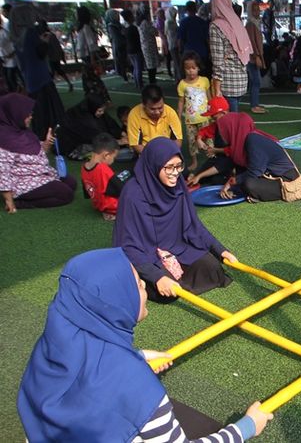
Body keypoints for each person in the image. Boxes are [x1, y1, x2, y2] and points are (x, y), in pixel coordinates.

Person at [17, 248, 273, 441]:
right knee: (209, 429)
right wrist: (246, 427)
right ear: (114, 301)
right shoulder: (133, 386)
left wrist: (136, 356)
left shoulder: (49, 349)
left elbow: (87, 369)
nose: (144, 288)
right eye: (137, 285)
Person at [114, 138, 237, 302]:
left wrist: (221, 250)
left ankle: (168, 275)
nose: (175, 173)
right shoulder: (133, 194)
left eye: (179, 166)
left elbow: (194, 225)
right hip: (147, 252)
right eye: (169, 167)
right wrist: (157, 276)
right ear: (154, 165)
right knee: (167, 292)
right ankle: (143, 278)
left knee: (213, 269)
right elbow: (128, 245)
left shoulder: (178, 184)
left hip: (178, 246)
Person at [0, 93, 76, 212]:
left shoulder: (22, 131)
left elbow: (33, 152)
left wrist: (46, 143)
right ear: (14, 114)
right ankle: (21, 203)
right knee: (65, 194)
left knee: (71, 183)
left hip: (40, 174)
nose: (31, 117)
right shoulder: (4, 140)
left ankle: (47, 187)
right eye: (27, 115)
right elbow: (2, 173)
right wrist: (9, 200)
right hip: (22, 182)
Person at [9, 4, 65, 139]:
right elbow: (39, 54)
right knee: (53, 111)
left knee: (39, 113)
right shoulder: (30, 32)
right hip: (41, 77)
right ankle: (55, 135)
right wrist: (45, 41)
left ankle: (42, 136)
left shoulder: (15, 35)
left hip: (29, 79)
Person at [217, 112, 298, 203]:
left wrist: (234, 181)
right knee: (241, 176)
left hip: (286, 180)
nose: (221, 134)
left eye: (223, 130)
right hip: (268, 175)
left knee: (249, 184)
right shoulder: (244, 140)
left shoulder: (253, 140)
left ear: (232, 128)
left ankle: (256, 193)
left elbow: (255, 171)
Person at [209, 0, 251, 113]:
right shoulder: (237, 22)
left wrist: (216, 90)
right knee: (234, 122)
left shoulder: (216, 26)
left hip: (227, 84)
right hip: (242, 81)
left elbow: (218, 62)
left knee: (229, 127)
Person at [57, 92, 124, 157]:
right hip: (72, 143)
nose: (102, 113)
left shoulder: (93, 109)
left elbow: (110, 122)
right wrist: (117, 142)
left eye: (103, 110)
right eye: (100, 111)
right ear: (93, 108)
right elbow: (94, 135)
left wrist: (122, 133)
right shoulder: (82, 117)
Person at [81, 133, 128, 220]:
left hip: (98, 205)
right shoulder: (103, 169)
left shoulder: (84, 167)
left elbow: (87, 192)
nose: (113, 161)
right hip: (113, 206)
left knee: (121, 175)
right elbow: (122, 189)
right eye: (114, 157)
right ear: (106, 155)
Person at [177, 51, 211, 171]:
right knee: (191, 141)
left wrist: (212, 110)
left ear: (198, 68)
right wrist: (178, 114)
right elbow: (181, 101)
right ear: (183, 69)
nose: (191, 71)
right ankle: (194, 161)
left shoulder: (205, 81)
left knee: (209, 139)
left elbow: (209, 96)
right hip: (190, 120)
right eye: (188, 68)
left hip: (205, 117)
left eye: (193, 68)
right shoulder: (182, 84)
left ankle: (211, 158)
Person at [127, 84, 183, 155]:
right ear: (143, 105)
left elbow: (178, 140)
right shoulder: (134, 115)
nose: (157, 112)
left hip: (168, 152)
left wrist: (169, 154)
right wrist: (155, 157)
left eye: (160, 108)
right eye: (152, 109)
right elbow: (136, 144)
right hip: (146, 154)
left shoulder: (170, 112)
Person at [76, 6, 111, 103]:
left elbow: (91, 44)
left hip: (89, 58)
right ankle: (94, 100)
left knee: (93, 80)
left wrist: (92, 60)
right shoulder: (83, 28)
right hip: (86, 58)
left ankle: (104, 99)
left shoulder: (86, 28)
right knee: (89, 80)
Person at [245, 0, 266, 114]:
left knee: (256, 81)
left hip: (255, 56)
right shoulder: (250, 24)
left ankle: (255, 103)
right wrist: (256, 56)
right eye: (254, 10)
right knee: (255, 81)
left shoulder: (255, 23)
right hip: (252, 57)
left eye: (258, 9)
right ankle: (254, 105)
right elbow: (251, 42)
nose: (257, 12)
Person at [39, 20, 72, 92]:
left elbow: (55, 46)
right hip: (53, 56)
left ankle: (54, 88)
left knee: (52, 73)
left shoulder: (46, 36)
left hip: (51, 57)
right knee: (58, 71)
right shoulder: (48, 35)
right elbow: (57, 46)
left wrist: (61, 55)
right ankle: (68, 83)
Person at [178, 1, 210, 75]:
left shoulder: (183, 22)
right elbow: (207, 39)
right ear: (196, 9)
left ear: (186, 10)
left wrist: (180, 52)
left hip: (189, 53)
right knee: (202, 75)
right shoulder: (202, 22)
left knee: (190, 76)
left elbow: (180, 40)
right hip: (202, 52)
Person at [105, 8, 129, 83]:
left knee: (125, 60)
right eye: (116, 15)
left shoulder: (119, 25)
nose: (118, 16)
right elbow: (117, 37)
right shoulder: (111, 26)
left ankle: (127, 74)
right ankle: (124, 76)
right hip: (118, 45)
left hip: (123, 44)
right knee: (121, 61)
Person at [122, 9, 144, 89]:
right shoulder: (133, 28)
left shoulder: (125, 28)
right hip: (136, 49)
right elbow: (138, 39)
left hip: (129, 49)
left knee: (135, 67)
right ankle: (139, 83)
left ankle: (136, 82)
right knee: (138, 67)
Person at [137, 8, 159, 85]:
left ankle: (152, 81)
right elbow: (155, 32)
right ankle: (152, 81)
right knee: (152, 65)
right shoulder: (145, 23)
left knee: (150, 64)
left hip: (146, 46)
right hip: (149, 46)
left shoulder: (141, 23)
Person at [0, 12, 21, 93]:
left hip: (12, 58)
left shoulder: (4, 32)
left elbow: (14, 42)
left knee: (11, 78)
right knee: (8, 80)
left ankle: (18, 93)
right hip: (4, 60)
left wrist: (12, 54)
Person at [165, 7, 181, 81]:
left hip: (172, 45)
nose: (175, 15)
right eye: (174, 14)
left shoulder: (169, 22)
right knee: (177, 63)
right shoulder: (170, 23)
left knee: (175, 63)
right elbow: (176, 34)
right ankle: (180, 79)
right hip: (174, 45)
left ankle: (177, 79)